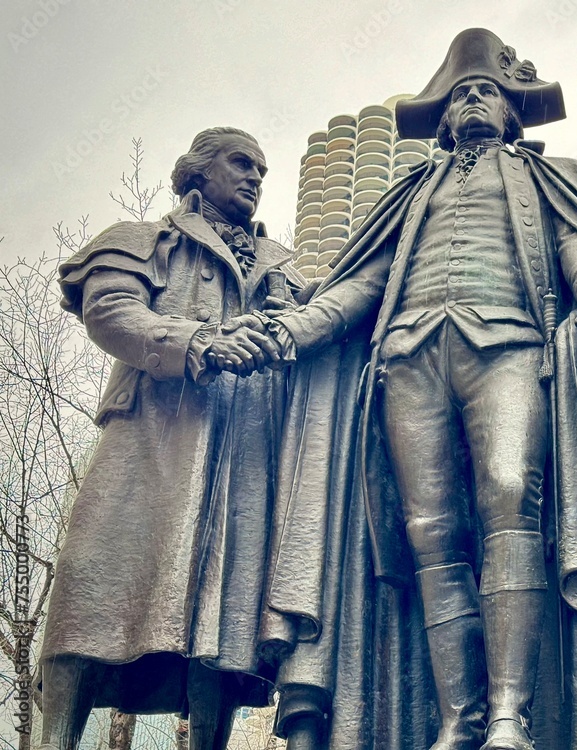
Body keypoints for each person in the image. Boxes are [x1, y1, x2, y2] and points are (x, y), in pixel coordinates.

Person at [256, 28, 577, 750]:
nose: (473, 101)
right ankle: (458, 719)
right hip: (408, 357)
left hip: (509, 346)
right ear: (443, 118)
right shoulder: (410, 194)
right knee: (430, 532)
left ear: (510, 111)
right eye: (462, 94)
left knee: (510, 496)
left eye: (487, 93)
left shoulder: (547, 176)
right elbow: (361, 284)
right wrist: (291, 332)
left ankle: (508, 715)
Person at [41, 127, 305, 750]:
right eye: (241, 163)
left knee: (223, 614)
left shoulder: (283, 268)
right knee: (96, 575)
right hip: (152, 435)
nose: (255, 178)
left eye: (262, 171)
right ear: (199, 170)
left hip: (247, 449)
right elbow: (112, 311)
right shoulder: (143, 240)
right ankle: (54, 739)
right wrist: (197, 343)